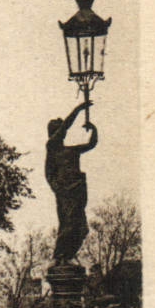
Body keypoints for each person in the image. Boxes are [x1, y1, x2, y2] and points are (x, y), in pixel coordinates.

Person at [45, 100, 98, 265]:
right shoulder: (52, 146)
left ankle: (67, 256)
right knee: (68, 224)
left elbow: (91, 144)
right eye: (59, 130)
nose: (63, 133)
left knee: (81, 228)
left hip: (77, 191)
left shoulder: (71, 150)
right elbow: (65, 126)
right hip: (65, 192)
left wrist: (94, 129)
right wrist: (78, 109)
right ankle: (60, 256)